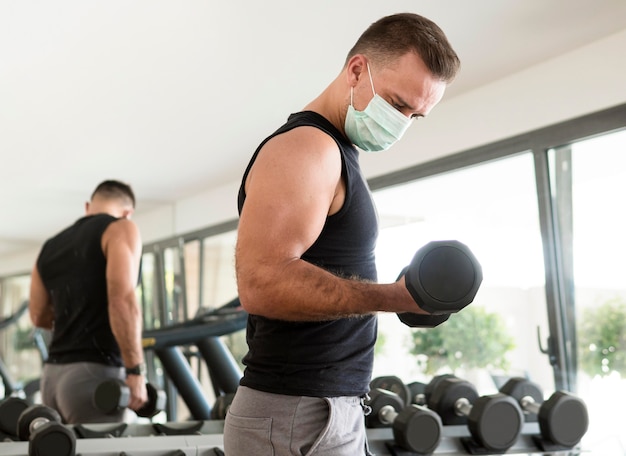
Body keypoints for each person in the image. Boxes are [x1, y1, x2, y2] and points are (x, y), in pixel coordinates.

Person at [223, 12, 460, 456]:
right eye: (397, 103)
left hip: (324, 410)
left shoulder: (336, 151)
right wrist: (393, 297)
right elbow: (261, 282)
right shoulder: (307, 148)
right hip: (296, 415)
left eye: (415, 115)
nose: (402, 122)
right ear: (357, 70)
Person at [29, 180, 148, 424]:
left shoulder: (50, 247)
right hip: (93, 376)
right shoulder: (121, 228)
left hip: (52, 378)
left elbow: (38, 316)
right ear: (128, 212)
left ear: (88, 207)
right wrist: (136, 370)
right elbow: (123, 301)